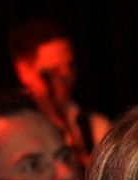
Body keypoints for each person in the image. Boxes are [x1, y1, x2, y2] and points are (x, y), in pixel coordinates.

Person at [9, 18, 111, 166]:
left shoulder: (94, 127)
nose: (66, 76)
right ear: (24, 71)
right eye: (53, 70)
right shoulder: (9, 130)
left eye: (70, 66)